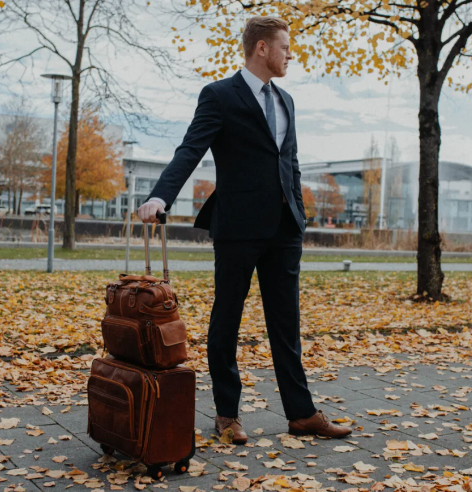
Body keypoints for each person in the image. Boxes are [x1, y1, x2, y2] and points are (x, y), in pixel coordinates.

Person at [137, 16, 351, 443]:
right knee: (227, 321)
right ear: (262, 49)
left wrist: (300, 214)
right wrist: (162, 196)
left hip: (285, 229)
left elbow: (289, 161)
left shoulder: (287, 100)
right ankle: (227, 414)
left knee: (286, 325)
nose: (291, 54)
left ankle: (302, 414)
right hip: (238, 227)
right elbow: (191, 149)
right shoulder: (219, 95)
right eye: (285, 46)